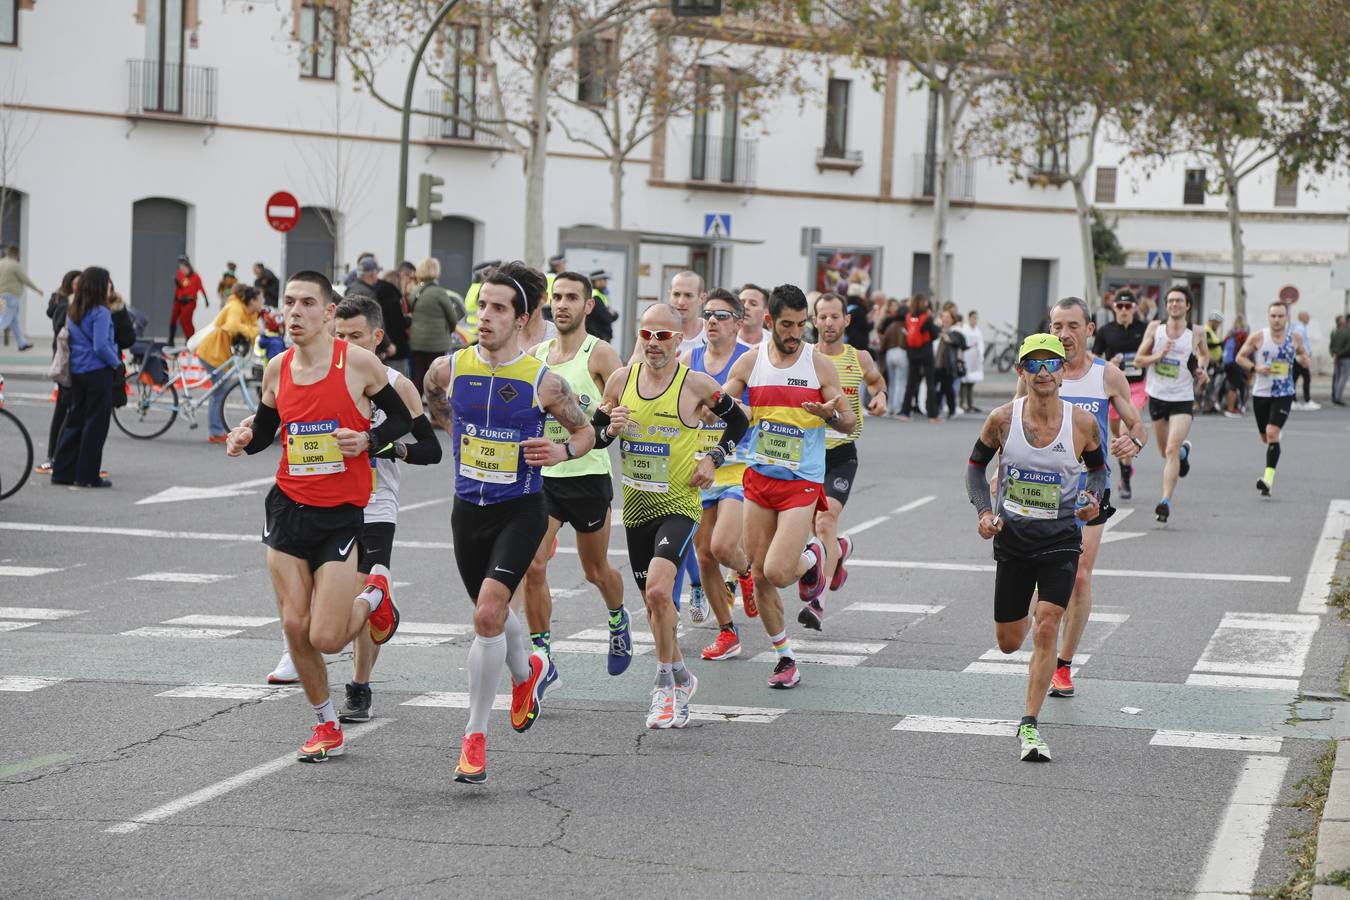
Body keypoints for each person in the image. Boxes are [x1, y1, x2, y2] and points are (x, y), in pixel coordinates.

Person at [225, 270, 413, 762]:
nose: (294, 312)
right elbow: (267, 431)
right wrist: (246, 440)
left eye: (307, 303)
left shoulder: (358, 365)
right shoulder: (276, 369)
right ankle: (326, 723)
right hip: (288, 508)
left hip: (342, 515)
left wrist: (369, 440)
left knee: (326, 635)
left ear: (329, 313)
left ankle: (374, 595)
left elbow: (401, 420)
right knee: (293, 624)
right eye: (288, 302)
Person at [422, 260, 598, 784]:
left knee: (487, 612)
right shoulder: (448, 368)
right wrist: (453, 428)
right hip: (467, 509)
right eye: (483, 306)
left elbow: (588, 435)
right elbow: (433, 401)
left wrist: (561, 450)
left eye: (499, 308)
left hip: (522, 509)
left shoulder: (545, 384)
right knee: (490, 614)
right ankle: (528, 673)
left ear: (523, 319)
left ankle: (474, 738)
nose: (486, 317)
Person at [594, 303, 751, 727]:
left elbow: (740, 421)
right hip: (637, 507)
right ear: (638, 337)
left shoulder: (696, 384)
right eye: (647, 335)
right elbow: (593, 436)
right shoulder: (620, 380)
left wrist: (714, 458)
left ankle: (664, 687)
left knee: (662, 592)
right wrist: (609, 427)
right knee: (652, 601)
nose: (654, 344)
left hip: (680, 505)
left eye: (663, 337)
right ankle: (680, 673)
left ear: (680, 340)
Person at [966, 333, 1107, 761]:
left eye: (1051, 363)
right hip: (1013, 539)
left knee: (1047, 625)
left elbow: (1100, 472)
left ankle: (1029, 724)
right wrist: (983, 513)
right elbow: (975, 468)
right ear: (1021, 371)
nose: (1043, 372)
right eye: (1034, 364)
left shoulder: (1082, 423)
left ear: (1063, 372)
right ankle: (1026, 610)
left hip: (1061, 540)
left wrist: (1092, 502)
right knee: (1009, 641)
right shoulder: (1001, 420)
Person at [721, 284, 857, 689]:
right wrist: (719, 407)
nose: (796, 333)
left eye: (802, 324)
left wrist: (830, 415)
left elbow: (848, 423)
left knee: (779, 572)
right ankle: (784, 658)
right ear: (769, 322)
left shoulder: (819, 366)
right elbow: (724, 406)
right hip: (759, 477)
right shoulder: (749, 362)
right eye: (787, 325)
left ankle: (814, 557)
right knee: (758, 574)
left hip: (801, 481)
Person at [325, 295, 443, 721]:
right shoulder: (323, 377)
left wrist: (387, 447)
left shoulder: (397, 385)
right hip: (329, 502)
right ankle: (380, 606)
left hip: (376, 503)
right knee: (335, 603)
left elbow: (431, 450)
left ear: (377, 337)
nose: (345, 344)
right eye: (338, 335)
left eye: (354, 336)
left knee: (362, 592)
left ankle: (359, 687)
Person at [522, 271, 631, 690]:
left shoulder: (601, 355)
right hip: (543, 477)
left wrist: (617, 418)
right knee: (533, 566)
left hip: (587, 478)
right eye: (558, 297)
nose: (563, 305)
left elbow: (621, 408)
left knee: (596, 570)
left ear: (589, 306)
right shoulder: (535, 356)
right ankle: (543, 654)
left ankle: (618, 618)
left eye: (572, 298)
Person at [1042, 297, 1147, 699]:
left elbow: (1137, 423)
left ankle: (1064, 667)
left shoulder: (1108, 376)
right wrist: (1001, 469)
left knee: (1081, 575)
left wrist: (1132, 442)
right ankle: (1044, 644)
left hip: (1090, 486)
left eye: (1072, 326)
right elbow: (1013, 423)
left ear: (1089, 330)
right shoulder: (1039, 371)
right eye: (1057, 326)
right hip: (1041, 487)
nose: (1064, 334)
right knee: (1041, 583)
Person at [681, 288, 757, 661]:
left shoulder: (750, 361)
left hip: (738, 467)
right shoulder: (689, 360)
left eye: (721, 315)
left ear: (738, 324)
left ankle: (747, 575)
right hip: (699, 469)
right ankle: (728, 632)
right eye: (707, 314)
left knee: (723, 547)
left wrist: (740, 406)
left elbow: (758, 408)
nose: (711, 321)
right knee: (705, 556)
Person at [809, 291, 887, 629]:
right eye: (822, 316)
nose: (828, 322)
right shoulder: (804, 358)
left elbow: (876, 382)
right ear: (814, 321)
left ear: (846, 320)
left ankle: (818, 602)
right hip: (807, 454)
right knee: (807, 529)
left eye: (834, 316)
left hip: (842, 455)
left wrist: (880, 396)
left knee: (825, 522)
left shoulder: (860, 359)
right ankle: (837, 551)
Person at [1134, 286, 1208, 523]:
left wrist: (1202, 370)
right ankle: (1184, 453)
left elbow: (1204, 355)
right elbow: (1138, 360)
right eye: (1171, 301)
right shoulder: (1155, 329)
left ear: (1188, 306)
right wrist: (1159, 355)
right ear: (1166, 305)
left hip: (1183, 398)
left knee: (1171, 449)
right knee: (1164, 452)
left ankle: (1165, 500)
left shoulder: (1196, 332)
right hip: (1157, 396)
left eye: (1179, 301)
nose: (1174, 304)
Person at [52, 267, 122, 488]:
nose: (110, 285)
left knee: (75, 420)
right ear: (100, 286)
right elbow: (101, 346)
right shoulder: (100, 312)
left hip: (78, 371)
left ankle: (62, 471)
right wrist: (117, 363)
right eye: (107, 282)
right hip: (97, 372)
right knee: (95, 425)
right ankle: (87, 476)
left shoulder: (74, 309)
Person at [1236, 301, 1311, 497]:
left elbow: (1305, 357)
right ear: (1268, 317)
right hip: (1261, 393)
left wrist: (1304, 360)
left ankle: (1267, 480)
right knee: (1265, 437)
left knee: (1271, 432)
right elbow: (1240, 357)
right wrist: (1256, 368)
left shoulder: (1294, 338)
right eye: (1273, 316)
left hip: (1284, 393)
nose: (1277, 320)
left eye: (1280, 316)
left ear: (1286, 318)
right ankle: (1274, 438)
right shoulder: (1259, 337)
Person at [1092, 289, 1149, 498]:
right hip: (1113, 389)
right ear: (1114, 307)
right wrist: (1109, 364)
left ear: (1134, 308)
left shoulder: (1144, 330)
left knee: (1127, 430)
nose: (1124, 310)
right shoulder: (1106, 331)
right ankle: (1126, 468)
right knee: (1117, 436)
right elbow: (1093, 359)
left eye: (1128, 306)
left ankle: (1125, 481)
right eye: (1120, 306)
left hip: (1136, 387)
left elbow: (1154, 352)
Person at [194, 284, 263, 443]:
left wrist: (248, 328)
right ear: (252, 300)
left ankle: (216, 429)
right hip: (212, 351)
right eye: (260, 299)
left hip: (222, 354)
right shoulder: (235, 306)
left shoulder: (250, 312)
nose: (263, 302)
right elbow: (233, 326)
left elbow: (255, 330)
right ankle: (215, 431)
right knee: (221, 389)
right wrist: (249, 330)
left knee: (221, 388)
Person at [35, 270, 82, 475]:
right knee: (62, 410)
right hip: (64, 364)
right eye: (76, 283)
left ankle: (60, 455)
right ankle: (54, 455)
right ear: (69, 284)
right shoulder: (64, 305)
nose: (79, 287)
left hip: (69, 363)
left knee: (68, 410)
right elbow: (59, 329)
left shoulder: (73, 304)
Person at [407, 257, 463, 394]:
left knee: (418, 376)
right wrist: (448, 331)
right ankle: (435, 406)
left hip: (416, 342)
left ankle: (415, 406)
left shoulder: (414, 292)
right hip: (437, 343)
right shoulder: (439, 292)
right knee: (436, 377)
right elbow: (452, 317)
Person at [347, 258, 410, 371]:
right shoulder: (368, 293)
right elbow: (376, 321)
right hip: (367, 346)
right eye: (377, 273)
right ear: (372, 274)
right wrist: (387, 345)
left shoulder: (351, 288)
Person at [900, 293, 940, 421]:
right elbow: (934, 334)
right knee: (930, 383)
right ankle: (932, 415)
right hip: (926, 352)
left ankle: (905, 412)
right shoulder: (927, 318)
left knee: (911, 383)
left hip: (912, 353)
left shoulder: (909, 317)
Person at [0, 244, 40, 351]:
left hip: (1, 295)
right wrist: (37, 290)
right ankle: (22, 344)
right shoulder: (14, 265)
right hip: (11, 297)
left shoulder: (1, 263)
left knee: (14, 322)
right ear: (16, 254)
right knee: (5, 320)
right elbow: (25, 279)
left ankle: (22, 344)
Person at [933, 307, 967, 419]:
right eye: (943, 317)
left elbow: (959, 343)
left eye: (948, 317)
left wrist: (947, 338)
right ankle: (936, 409)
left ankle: (951, 410)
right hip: (936, 364)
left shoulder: (955, 331)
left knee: (947, 389)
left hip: (948, 365)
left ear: (952, 319)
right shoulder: (937, 330)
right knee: (936, 388)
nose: (945, 319)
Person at [169, 256, 208, 345]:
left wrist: (206, 299)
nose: (181, 269)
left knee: (185, 319)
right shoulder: (181, 274)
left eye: (183, 266)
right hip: (181, 301)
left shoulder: (195, 276)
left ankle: (190, 338)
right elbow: (180, 289)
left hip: (190, 301)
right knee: (179, 319)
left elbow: (200, 287)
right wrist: (179, 292)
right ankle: (175, 339)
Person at [879, 303, 909, 415]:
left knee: (891, 382)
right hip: (902, 352)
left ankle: (890, 407)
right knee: (901, 381)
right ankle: (898, 407)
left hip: (890, 353)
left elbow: (884, 341)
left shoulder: (892, 325)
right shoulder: (906, 326)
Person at [1290, 309, 1318, 410]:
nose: (1309, 319)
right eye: (1307, 317)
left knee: (1293, 379)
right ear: (1302, 317)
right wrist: (1304, 356)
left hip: (1297, 357)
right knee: (1307, 379)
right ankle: (1307, 401)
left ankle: (1293, 401)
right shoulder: (1300, 328)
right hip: (1300, 358)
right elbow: (1298, 343)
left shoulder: (1297, 326)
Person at [958, 309, 985, 413]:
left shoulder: (978, 331)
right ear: (969, 318)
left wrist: (981, 356)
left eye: (976, 318)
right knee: (964, 381)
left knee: (971, 382)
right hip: (966, 357)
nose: (975, 320)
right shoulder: (965, 329)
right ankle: (962, 403)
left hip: (975, 360)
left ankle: (970, 403)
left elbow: (981, 344)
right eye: (973, 318)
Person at [585, 269, 618, 340]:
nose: (606, 282)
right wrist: (614, 315)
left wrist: (613, 314)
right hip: (597, 336)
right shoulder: (595, 297)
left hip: (600, 336)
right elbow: (606, 318)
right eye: (604, 280)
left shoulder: (600, 295)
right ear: (596, 281)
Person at [843, 283, 871, 354]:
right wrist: (873, 323)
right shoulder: (859, 310)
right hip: (858, 344)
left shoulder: (846, 307)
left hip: (847, 341)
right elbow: (864, 327)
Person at [1329, 315, 1350, 406]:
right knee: (1343, 378)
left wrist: (1334, 355)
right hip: (1345, 357)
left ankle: (1335, 396)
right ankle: (1338, 397)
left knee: (1337, 377)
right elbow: (1348, 348)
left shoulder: (1335, 331)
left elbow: (1331, 345)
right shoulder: (1348, 332)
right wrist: (1339, 354)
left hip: (1337, 357)